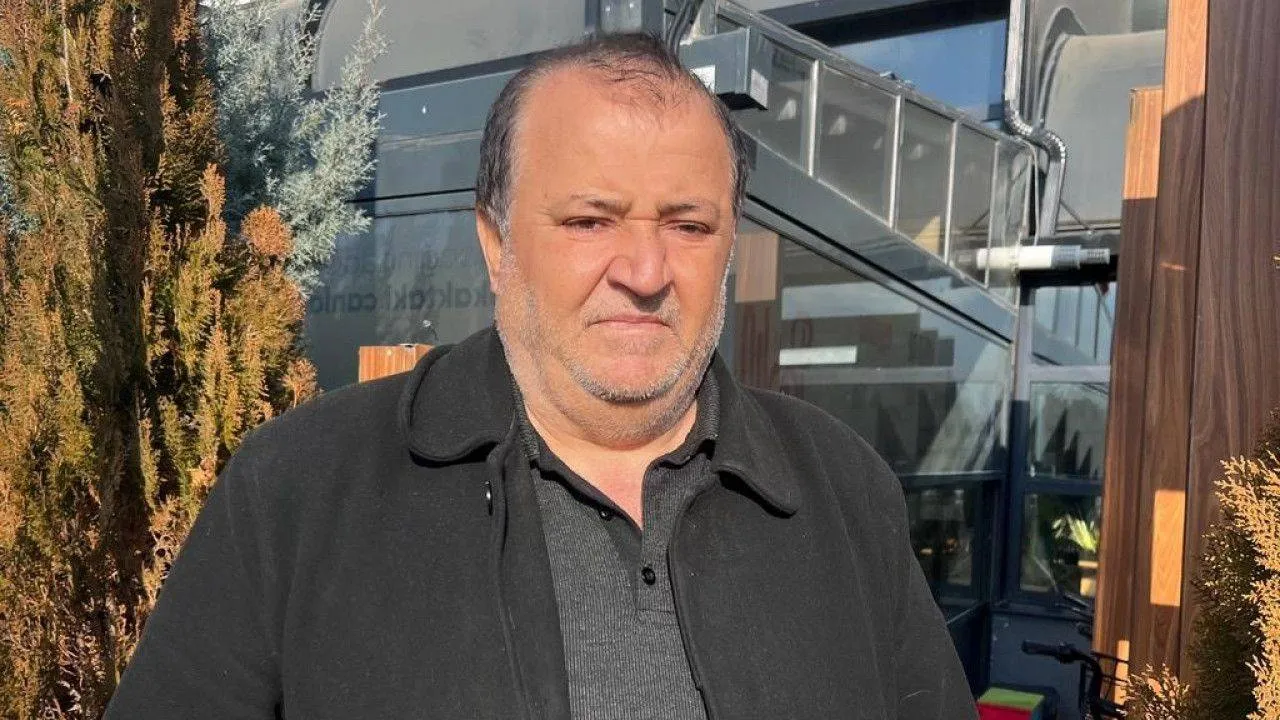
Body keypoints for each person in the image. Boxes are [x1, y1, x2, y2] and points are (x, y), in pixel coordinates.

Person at [106, 32, 976, 720]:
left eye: (688, 225)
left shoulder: (842, 490)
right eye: (591, 220)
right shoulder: (299, 492)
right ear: (495, 243)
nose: (645, 270)